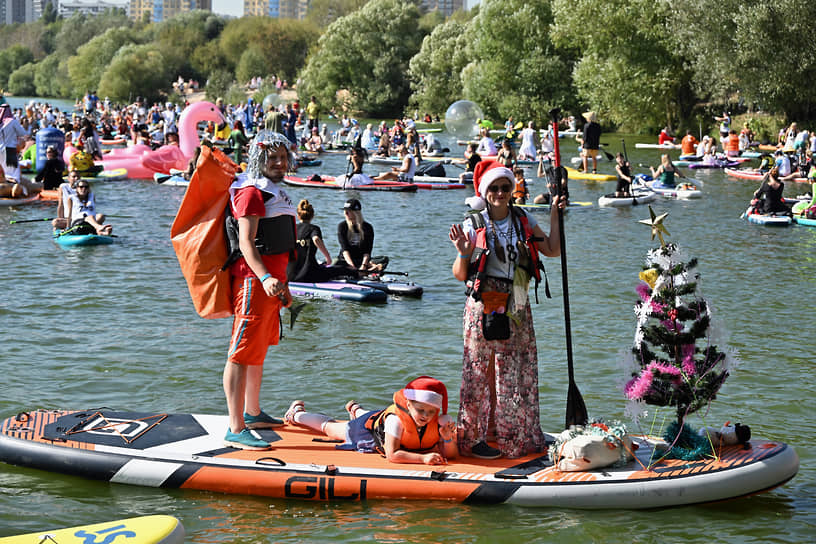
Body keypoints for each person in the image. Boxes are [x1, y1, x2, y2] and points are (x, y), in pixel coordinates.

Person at [449, 160, 564, 459]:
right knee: (479, 369)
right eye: (494, 188)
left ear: (512, 190)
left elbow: (552, 249)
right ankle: (474, 439)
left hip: (518, 299)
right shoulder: (473, 224)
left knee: (518, 370)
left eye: (505, 187)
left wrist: (554, 213)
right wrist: (463, 253)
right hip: (485, 301)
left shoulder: (523, 219)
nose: (500, 193)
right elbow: (460, 274)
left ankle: (517, 434)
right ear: (485, 192)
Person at [222, 130, 297, 451]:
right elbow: (245, 242)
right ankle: (235, 427)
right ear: (258, 158)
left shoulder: (271, 191)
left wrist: (282, 284)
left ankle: (252, 413)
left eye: (283, 157)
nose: (280, 163)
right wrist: (266, 278)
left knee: (258, 349)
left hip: (272, 280)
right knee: (240, 353)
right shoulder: (251, 192)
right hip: (255, 281)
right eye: (272, 158)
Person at [283, 376, 458, 465]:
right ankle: (296, 414)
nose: (426, 416)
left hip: (377, 418)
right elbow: (392, 455)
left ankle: (356, 410)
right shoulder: (395, 421)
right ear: (408, 404)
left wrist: (448, 439)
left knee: (370, 415)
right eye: (421, 410)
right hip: (368, 432)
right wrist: (423, 459)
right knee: (331, 429)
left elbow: (451, 455)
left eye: (431, 411)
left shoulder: (441, 422)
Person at [287, 199, 347, 283]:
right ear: (312, 216)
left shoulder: (291, 228)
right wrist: (328, 257)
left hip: (289, 275)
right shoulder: (314, 228)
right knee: (340, 269)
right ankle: (358, 274)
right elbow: (316, 239)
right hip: (309, 275)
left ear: (298, 215)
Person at [335, 198, 381, 273]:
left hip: (361, 261)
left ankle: (367, 269)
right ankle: (367, 271)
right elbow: (344, 249)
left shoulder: (367, 227)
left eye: (349, 211)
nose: (345, 213)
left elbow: (367, 250)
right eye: (345, 211)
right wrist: (351, 266)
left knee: (384, 259)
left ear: (356, 212)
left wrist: (364, 265)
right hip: (345, 260)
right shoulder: (342, 226)